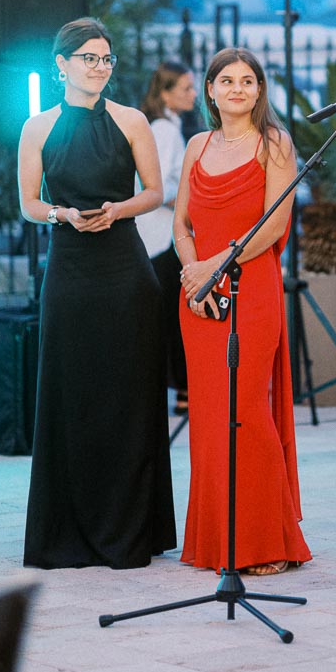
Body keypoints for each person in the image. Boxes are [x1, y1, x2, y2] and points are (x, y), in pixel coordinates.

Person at [18, 18, 176, 569]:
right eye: (89, 57)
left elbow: (154, 193)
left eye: (106, 59)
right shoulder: (37, 127)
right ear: (61, 63)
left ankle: (130, 529)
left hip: (124, 270)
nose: (100, 67)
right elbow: (29, 204)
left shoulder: (131, 120)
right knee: (70, 394)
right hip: (70, 270)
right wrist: (62, 213)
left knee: (129, 395)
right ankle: (68, 529)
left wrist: (117, 209)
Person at [176, 47, 311, 576]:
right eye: (226, 80)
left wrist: (213, 266)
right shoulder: (195, 145)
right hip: (198, 297)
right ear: (210, 90)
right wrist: (193, 275)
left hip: (251, 292)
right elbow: (180, 226)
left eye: (248, 80)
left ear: (259, 90)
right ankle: (215, 540)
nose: (238, 88)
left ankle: (264, 541)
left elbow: (272, 228)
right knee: (209, 416)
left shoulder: (275, 144)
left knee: (246, 408)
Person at [138, 61, 198, 415]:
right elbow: (153, 185)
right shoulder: (164, 130)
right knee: (175, 319)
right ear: (165, 93)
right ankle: (184, 392)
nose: (193, 94)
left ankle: (182, 392)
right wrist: (191, 202)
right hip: (161, 238)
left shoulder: (165, 127)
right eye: (185, 88)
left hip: (161, 237)